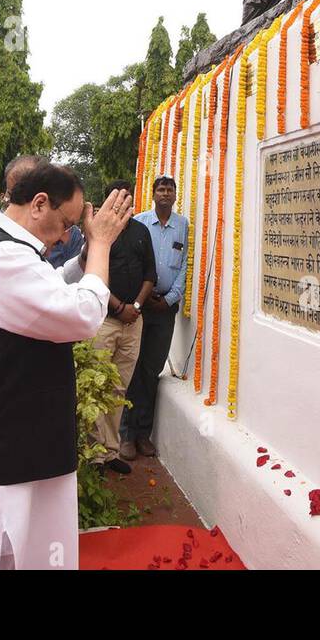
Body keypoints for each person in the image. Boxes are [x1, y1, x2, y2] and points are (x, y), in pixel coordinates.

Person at [0, 163, 133, 570]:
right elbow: (83, 315)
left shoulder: (6, 245)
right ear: (38, 204)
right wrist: (101, 244)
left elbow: (47, 283)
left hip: (8, 446)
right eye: (67, 223)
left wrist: (86, 253)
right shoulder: (0, 256)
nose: (68, 235)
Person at [90, 180, 155, 474]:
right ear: (107, 202)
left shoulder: (142, 232)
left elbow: (150, 275)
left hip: (133, 324)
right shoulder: (98, 234)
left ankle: (111, 452)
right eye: (116, 200)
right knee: (96, 387)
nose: (122, 205)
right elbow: (92, 275)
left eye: (127, 200)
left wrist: (136, 308)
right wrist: (118, 307)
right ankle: (94, 456)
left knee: (118, 389)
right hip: (105, 321)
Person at [122, 175, 189, 459]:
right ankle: (125, 435)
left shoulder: (183, 225)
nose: (165, 193)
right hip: (141, 305)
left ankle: (143, 435)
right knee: (133, 368)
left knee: (152, 371)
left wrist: (171, 298)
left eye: (169, 189)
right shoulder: (139, 222)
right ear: (153, 194)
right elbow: (132, 262)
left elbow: (186, 264)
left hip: (166, 309)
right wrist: (143, 297)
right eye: (160, 189)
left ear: (175, 195)